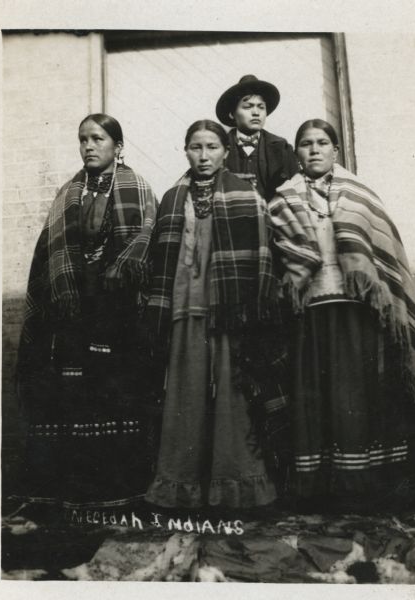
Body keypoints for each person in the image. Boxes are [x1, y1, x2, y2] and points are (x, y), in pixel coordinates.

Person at [268, 118, 415, 512]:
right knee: (315, 394)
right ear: (296, 153)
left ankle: (365, 485)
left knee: (356, 393)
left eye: (322, 142)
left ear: (336, 151)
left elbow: (384, 256)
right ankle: (321, 488)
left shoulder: (361, 196)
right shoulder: (282, 200)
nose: (314, 150)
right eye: (306, 144)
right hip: (310, 310)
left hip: (356, 310)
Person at [15, 113, 159, 517]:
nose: (89, 146)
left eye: (98, 138)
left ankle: (119, 492)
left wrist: (118, 270)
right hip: (76, 306)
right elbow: (49, 252)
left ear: (118, 145)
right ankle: (70, 493)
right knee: (73, 394)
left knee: (115, 393)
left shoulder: (137, 187)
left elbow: (148, 236)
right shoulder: (67, 194)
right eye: (83, 139)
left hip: (118, 306)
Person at [144, 119, 288, 509]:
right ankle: (182, 486)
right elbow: (161, 257)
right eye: (195, 147)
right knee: (185, 396)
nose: (203, 155)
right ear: (186, 150)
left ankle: (237, 486)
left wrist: (247, 308)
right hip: (185, 307)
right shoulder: (173, 198)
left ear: (225, 151)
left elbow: (262, 258)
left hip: (228, 310)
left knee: (232, 397)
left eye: (211, 147)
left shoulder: (246, 194)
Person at [215, 74, 299, 202]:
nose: (256, 112)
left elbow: (296, 192)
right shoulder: (217, 147)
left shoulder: (282, 148)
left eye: (261, 107)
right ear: (232, 114)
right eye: (248, 106)